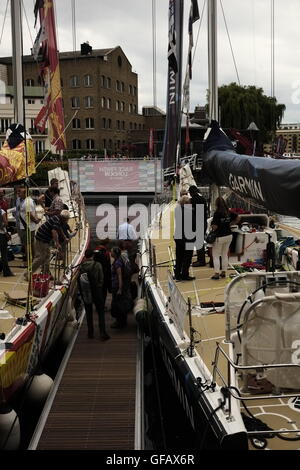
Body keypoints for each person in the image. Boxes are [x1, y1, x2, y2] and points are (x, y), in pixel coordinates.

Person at [79, 248, 110, 341]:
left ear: (85, 256)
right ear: (92, 256)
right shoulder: (97, 265)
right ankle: (102, 332)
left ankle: (90, 332)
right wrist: (99, 287)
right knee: (100, 312)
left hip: (86, 291)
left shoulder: (81, 266)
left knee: (88, 313)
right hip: (97, 291)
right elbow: (101, 279)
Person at [29, 212, 70, 278]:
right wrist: (57, 243)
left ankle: (46, 273)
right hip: (42, 238)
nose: (67, 220)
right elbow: (54, 231)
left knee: (47, 256)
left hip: (44, 238)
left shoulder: (58, 218)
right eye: (67, 219)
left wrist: (64, 237)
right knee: (40, 257)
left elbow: (59, 229)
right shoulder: (57, 220)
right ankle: (28, 273)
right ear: (64, 218)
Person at [210, 197, 240, 280]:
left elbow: (215, 227)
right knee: (224, 254)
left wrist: (212, 225)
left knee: (215, 255)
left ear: (216, 204)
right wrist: (230, 224)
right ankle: (223, 272)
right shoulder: (228, 212)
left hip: (220, 236)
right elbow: (238, 218)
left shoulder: (217, 213)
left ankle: (216, 274)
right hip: (229, 235)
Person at [174, 195, 195, 281]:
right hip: (188, 237)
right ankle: (185, 274)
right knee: (187, 257)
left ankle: (177, 274)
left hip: (179, 237)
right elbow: (194, 225)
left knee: (179, 257)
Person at [110, 246, 132, 328]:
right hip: (119, 286)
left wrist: (119, 288)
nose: (110, 253)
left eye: (111, 251)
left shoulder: (118, 263)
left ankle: (120, 322)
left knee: (118, 304)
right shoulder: (119, 260)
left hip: (117, 286)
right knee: (121, 303)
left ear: (115, 253)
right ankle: (122, 321)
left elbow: (119, 276)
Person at [189, 185, 208, 267]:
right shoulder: (203, 199)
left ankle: (201, 261)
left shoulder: (192, 200)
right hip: (203, 222)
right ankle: (201, 259)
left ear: (191, 193)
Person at [19, 188, 40, 262]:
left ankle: (29, 260)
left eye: (20, 193)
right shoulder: (30, 201)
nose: (19, 194)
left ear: (25, 194)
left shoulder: (27, 202)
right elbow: (34, 211)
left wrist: (35, 220)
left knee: (26, 244)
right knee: (31, 243)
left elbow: (29, 214)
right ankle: (33, 259)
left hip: (26, 227)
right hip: (30, 226)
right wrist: (36, 220)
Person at [93, 238, 112, 306]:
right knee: (103, 291)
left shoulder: (96, 250)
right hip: (104, 274)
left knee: (97, 290)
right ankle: (102, 305)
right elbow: (108, 265)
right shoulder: (106, 253)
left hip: (96, 273)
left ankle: (97, 304)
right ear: (106, 244)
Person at [0, 208, 14, 277]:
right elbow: (6, 223)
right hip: (1, 235)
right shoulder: (1, 211)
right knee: (4, 254)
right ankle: (6, 272)